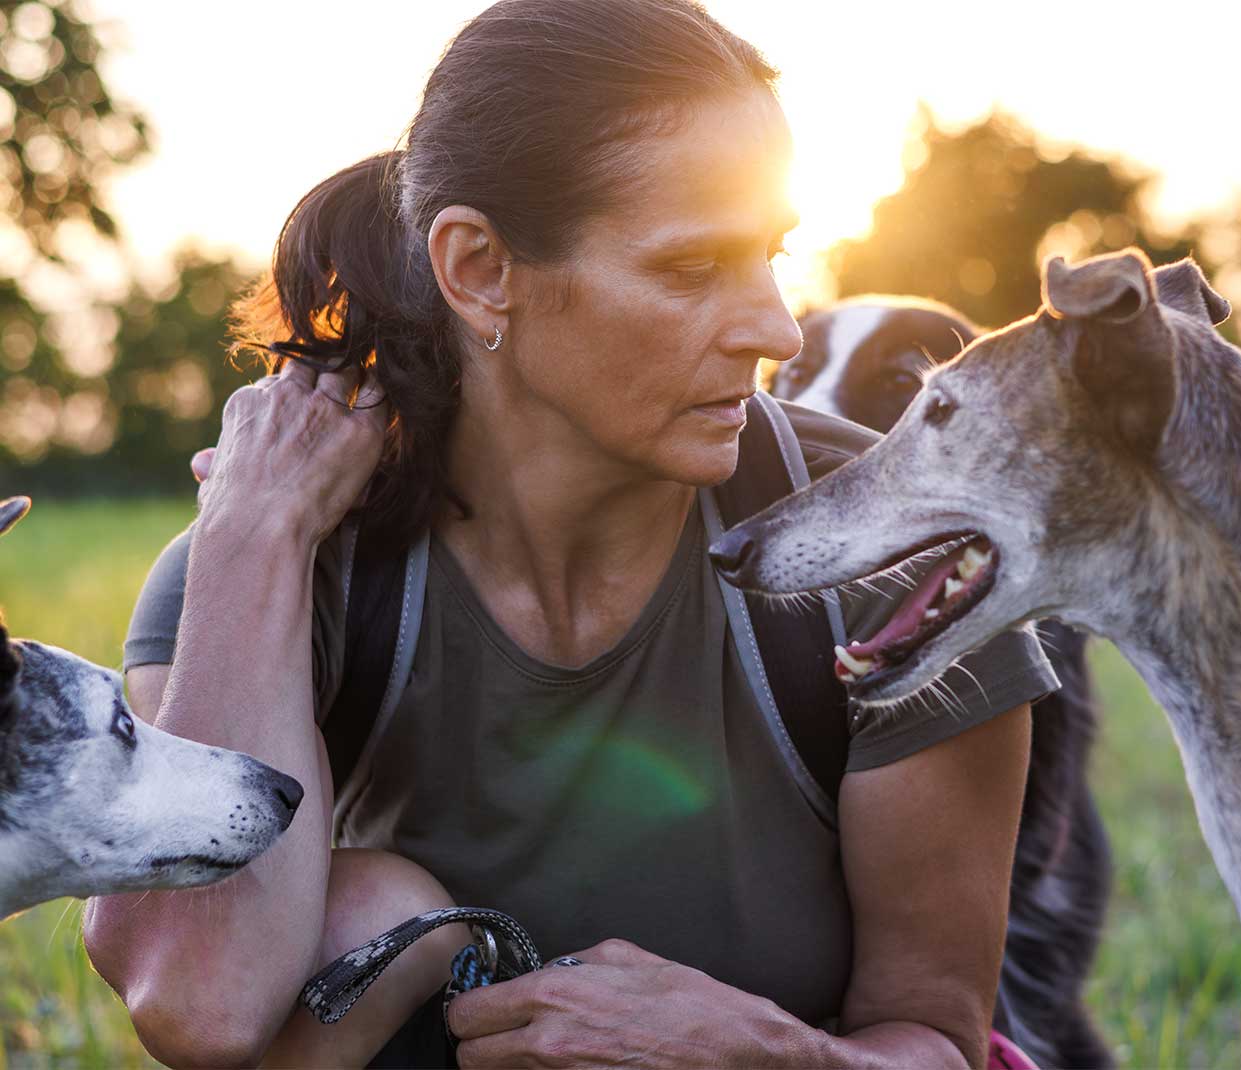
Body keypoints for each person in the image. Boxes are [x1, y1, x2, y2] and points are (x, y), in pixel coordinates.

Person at [82, 1, 1060, 1066]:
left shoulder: (895, 556)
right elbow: (196, 1001)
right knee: (372, 915)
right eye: (691, 270)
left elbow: (940, 1039)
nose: (777, 329)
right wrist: (251, 533)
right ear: (479, 269)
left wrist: (763, 1054)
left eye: (775, 254)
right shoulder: (278, 568)